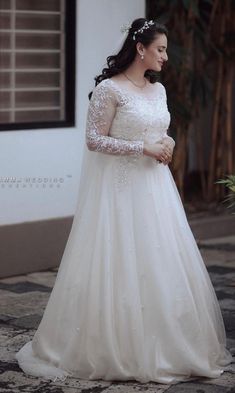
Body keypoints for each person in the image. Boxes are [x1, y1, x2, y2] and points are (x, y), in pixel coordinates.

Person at [15, 17, 233, 385]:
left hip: (155, 188)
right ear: (141, 48)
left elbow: (161, 131)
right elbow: (94, 140)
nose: (165, 57)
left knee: (159, 260)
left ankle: (168, 344)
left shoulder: (158, 89)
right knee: (118, 263)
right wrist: (142, 147)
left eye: (166, 50)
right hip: (119, 192)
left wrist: (167, 144)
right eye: (160, 49)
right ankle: (114, 345)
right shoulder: (109, 90)